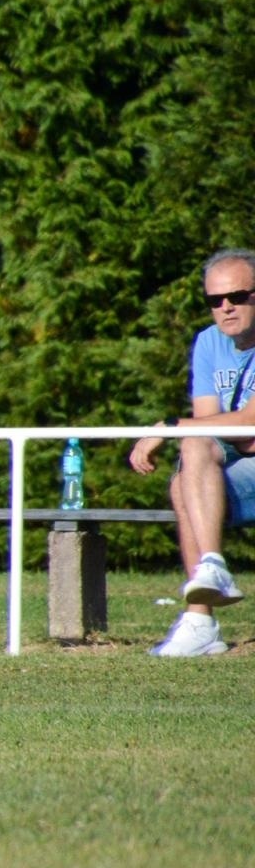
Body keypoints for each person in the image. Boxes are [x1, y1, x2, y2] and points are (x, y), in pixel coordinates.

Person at [129, 246, 255, 657]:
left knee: (190, 466)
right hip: (243, 463)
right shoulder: (207, 343)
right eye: (214, 300)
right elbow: (211, 429)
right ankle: (207, 596)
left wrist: (168, 428)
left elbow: (246, 425)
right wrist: (194, 431)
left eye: (237, 297)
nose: (226, 308)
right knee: (187, 473)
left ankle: (202, 613)